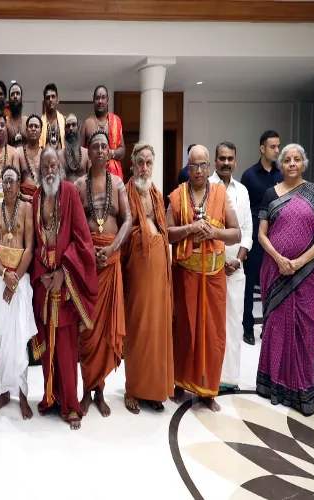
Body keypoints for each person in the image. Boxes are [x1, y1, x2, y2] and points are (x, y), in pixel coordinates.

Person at [256, 143, 314, 417]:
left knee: (305, 332)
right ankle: (273, 385)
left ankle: (302, 388)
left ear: (304, 164)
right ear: (280, 165)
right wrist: (279, 259)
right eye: (287, 159)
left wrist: (299, 262)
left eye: (296, 159)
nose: (291, 163)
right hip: (275, 271)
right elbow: (261, 235)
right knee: (276, 328)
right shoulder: (270, 194)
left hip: (308, 276)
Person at [167, 144, 241, 412]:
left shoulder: (220, 194)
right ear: (187, 168)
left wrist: (213, 233)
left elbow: (236, 234)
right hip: (185, 274)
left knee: (212, 334)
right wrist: (189, 228)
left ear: (209, 167)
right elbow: (167, 232)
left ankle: (208, 391)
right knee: (184, 330)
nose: (198, 171)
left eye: (202, 165)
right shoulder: (177, 196)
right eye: (193, 166)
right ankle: (179, 384)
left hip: (213, 277)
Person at [31, 146, 98, 430]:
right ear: (39, 170)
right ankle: (51, 396)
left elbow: (83, 241)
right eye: (44, 166)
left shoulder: (70, 193)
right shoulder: (35, 199)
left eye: (53, 166)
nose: (49, 171)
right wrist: (42, 273)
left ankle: (71, 404)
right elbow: (34, 244)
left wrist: (62, 272)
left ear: (60, 168)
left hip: (66, 284)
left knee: (67, 349)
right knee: (48, 348)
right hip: (44, 284)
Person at [75, 130, 131, 417]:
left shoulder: (118, 183)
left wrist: (109, 251)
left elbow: (128, 219)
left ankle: (100, 391)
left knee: (106, 328)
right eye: (94, 146)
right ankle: (86, 389)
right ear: (89, 151)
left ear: (109, 153)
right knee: (87, 329)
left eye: (103, 146)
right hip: (87, 264)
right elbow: (73, 225)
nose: (99, 150)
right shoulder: (79, 184)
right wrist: (88, 254)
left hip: (109, 261)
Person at [123, 142, 174, 414]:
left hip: (158, 270)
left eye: (148, 163)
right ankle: (133, 389)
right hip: (136, 269)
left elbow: (163, 230)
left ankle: (153, 390)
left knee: (157, 328)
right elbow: (123, 229)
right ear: (132, 164)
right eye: (140, 162)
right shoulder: (125, 191)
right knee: (137, 327)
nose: (144, 168)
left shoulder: (156, 193)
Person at [0, 165, 37, 419]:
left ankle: (23, 394)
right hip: (0, 279)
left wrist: (14, 281)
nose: (7, 185)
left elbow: (29, 247)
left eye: (12, 181)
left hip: (20, 278)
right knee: (4, 338)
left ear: (18, 184)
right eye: (4, 181)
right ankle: (6, 391)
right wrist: (5, 277)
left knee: (20, 338)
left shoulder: (26, 209)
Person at [209, 141, 253, 393]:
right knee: (212, 322)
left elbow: (246, 229)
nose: (226, 162)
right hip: (210, 266)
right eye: (222, 158)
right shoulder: (207, 187)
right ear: (216, 161)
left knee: (234, 322)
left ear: (235, 161)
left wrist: (239, 259)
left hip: (236, 267)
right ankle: (209, 375)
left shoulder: (242, 191)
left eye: (230, 159)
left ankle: (229, 379)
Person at [241, 130, 283, 345]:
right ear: (262, 148)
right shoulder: (249, 175)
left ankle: (269, 326)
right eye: (273, 146)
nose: (277, 150)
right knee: (250, 283)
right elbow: (242, 209)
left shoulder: (281, 175)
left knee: (272, 283)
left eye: (278, 146)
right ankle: (248, 327)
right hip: (255, 234)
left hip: (276, 235)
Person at [82, 86, 125, 179]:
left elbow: (122, 150)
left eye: (103, 98)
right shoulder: (87, 123)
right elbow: (81, 153)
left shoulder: (116, 121)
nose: (100, 101)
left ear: (107, 101)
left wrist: (110, 153)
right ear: (93, 101)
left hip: (113, 175)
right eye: (97, 98)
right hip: (93, 175)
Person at [18, 115, 42, 198]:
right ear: (26, 130)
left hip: (42, 198)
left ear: (41, 131)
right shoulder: (19, 152)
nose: (33, 129)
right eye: (30, 126)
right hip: (24, 199)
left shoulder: (45, 154)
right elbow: (14, 181)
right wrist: (23, 197)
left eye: (36, 126)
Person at [61, 114, 89, 183]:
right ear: (64, 129)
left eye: (74, 125)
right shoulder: (59, 155)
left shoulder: (87, 154)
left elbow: (91, 179)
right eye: (68, 126)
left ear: (78, 127)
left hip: (82, 192)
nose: (71, 128)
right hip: (66, 193)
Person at [40, 83, 65, 149]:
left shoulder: (65, 121)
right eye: (48, 97)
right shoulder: (39, 123)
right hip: (45, 158)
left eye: (53, 96)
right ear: (44, 102)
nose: (50, 100)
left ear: (57, 100)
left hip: (62, 158)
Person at [6, 81, 27, 148]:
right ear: (9, 99)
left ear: (21, 98)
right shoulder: (5, 122)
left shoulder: (27, 121)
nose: (15, 96)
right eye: (12, 94)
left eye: (17, 93)